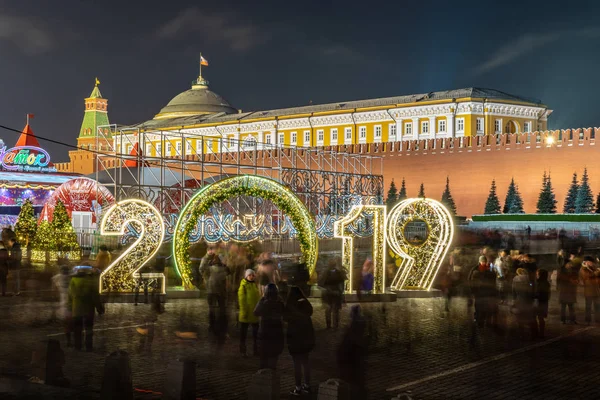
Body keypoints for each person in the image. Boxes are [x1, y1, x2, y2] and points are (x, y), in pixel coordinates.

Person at [284, 286, 315, 396]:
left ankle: (298, 387)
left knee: (297, 365)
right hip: (305, 340)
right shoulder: (306, 306)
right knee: (305, 363)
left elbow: (285, 318)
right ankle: (307, 385)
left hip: (295, 341)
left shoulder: (291, 307)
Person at [68, 266, 104, 351]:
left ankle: (78, 346)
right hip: (88, 309)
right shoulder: (91, 281)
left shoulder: (73, 280)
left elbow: (70, 295)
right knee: (88, 328)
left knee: (77, 329)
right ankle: (88, 346)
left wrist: (69, 307)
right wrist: (99, 308)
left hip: (76, 309)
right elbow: (95, 296)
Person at [337, 305, 368, 400]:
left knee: (353, 383)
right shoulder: (360, 331)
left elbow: (344, 348)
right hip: (357, 361)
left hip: (351, 362)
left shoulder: (351, 331)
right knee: (358, 381)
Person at [199, 247, 231, 340]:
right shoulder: (224, 269)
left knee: (212, 308)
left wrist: (206, 280)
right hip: (221, 291)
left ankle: (212, 325)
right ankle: (221, 325)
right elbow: (229, 273)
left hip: (211, 290)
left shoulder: (209, 268)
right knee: (221, 308)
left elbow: (203, 272)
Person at [254, 283, 284, 370]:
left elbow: (255, 312)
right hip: (276, 332)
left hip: (265, 332)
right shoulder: (279, 303)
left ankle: (263, 375)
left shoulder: (264, 302)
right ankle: (272, 374)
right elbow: (284, 313)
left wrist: (262, 298)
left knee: (263, 358)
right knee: (273, 357)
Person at [469, 256, 497, 328]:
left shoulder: (489, 269)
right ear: (480, 261)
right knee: (478, 306)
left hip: (486, 291)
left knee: (484, 306)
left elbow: (493, 279)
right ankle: (478, 320)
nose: (484, 263)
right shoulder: (475, 269)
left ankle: (482, 320)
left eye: (484, 261)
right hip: (478, 291)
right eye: (482, 261)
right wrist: (472, 290)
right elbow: (470, 280)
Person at [238, 269, 260, 357]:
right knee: (243, 335)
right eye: (250, 275)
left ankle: (256, 351)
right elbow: (242, 300)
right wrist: (244, 313)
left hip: (254, 314)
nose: (251, 276)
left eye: (253, 275)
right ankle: (243, 351)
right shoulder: (243, 285)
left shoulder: (255, 285)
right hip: (246, 314)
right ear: (246, 276)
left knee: (256, 335)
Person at [320, 259, 347, 329]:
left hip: (332, 294)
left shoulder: (329, 272)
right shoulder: (335, 273)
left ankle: (332, 325)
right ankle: (332, 325)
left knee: (332, 310)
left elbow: (321, 283)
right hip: (331, 294)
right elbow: (341, 284)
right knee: (332, 310)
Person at [512, 268, 536, 339]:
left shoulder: (515, 280)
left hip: (519, 300)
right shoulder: (530, 279)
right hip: (528, 300)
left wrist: (514, 300)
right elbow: (533, 290)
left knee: (520, 318)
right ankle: (533, 334)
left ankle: (521, 334)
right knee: (530, 317)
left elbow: (513, 292)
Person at [52, 265, 73, 346]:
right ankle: (73, 340)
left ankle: (69, 340)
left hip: (64, 305)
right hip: (72, 304)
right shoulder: (72, 278)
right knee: (72, 324)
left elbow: (54, 288)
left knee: (67, 324)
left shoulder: (57, 278)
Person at [579, 256, 600, 325]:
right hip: (589, 291)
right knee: (588, 307)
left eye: (592, 262)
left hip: (596, 290)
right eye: (590, 262)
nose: (592, 263)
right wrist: (597, 272)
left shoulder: (593, 268)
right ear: (586, 262)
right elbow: (587, 276)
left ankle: (597, 319)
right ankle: (588, 320)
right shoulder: (583, 269)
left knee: (597, 306)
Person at [535, 269, 551, 338]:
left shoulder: (538, 282)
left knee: (535, 318)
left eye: (537, 273)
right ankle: (541, 333)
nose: (536, 274)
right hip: (544, 302)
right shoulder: (546, 283)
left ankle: (537, 333)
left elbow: (537, 293)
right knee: (541, 318)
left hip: (538, 302)